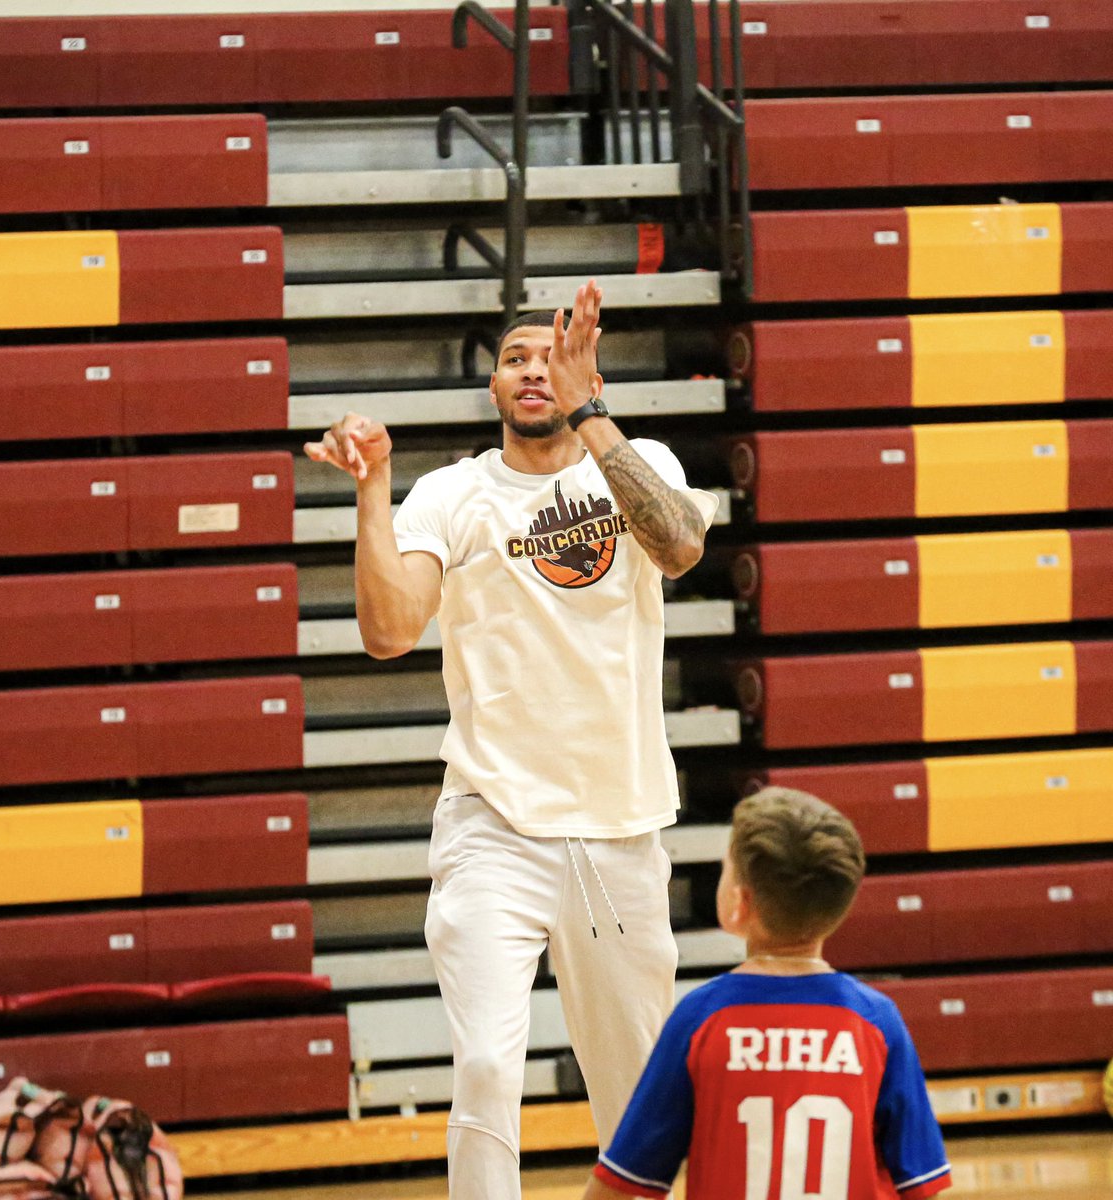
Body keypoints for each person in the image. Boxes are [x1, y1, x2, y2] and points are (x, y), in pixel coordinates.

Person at [304, 280, 720, 1200]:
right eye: (516, 359)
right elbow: (387, 631)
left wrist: (592, 410)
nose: (533, 370)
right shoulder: (452, 494)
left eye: (550, 356)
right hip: (493, 827)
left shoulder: (638, 459)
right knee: (488, 1070)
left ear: (583, 370)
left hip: (619, 832)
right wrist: (373, 492)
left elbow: (683, 545)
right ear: (493, 385)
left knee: (637, 1101)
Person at [585, 786, 952, 1200]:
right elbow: (922, 1188)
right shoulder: (877, 1021)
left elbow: (619, 1183)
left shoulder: (701, 1018)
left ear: (740, 903)